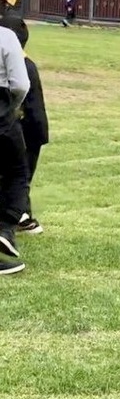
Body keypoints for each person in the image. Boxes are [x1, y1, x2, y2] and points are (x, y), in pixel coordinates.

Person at [1, 15, 48, 234]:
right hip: (31, 129)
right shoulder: (25, 63)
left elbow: (22, 97)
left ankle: (22, 217)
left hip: (28, 131)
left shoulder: (23, 67)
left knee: (20, 175)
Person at [0, 20, 30, 273]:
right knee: (17, 172)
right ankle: (6, 226)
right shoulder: (6, 37)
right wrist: (11, 106)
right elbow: (20, 84)